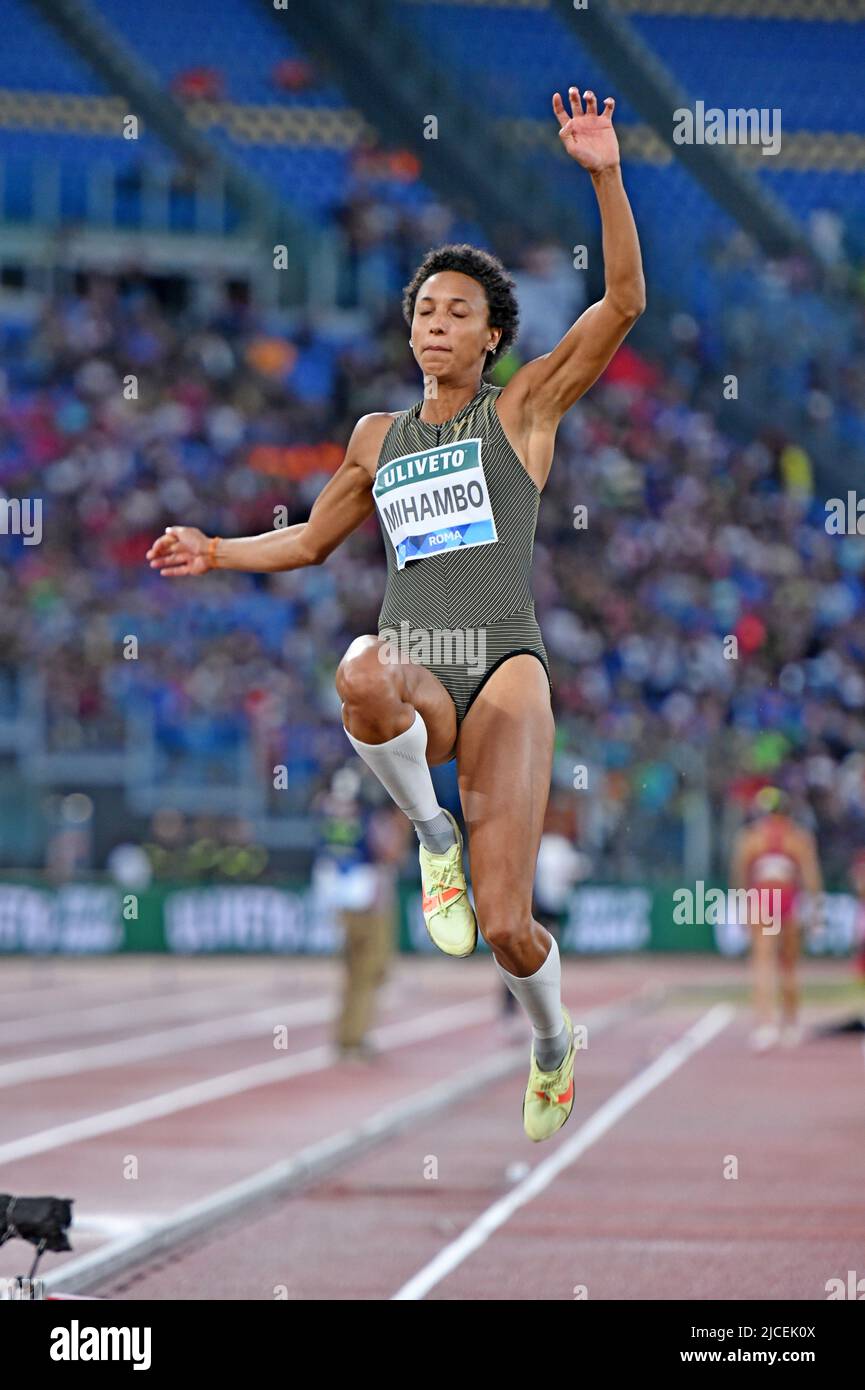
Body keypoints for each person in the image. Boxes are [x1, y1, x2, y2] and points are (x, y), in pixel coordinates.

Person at [146, 86, 645, 1141]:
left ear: (494, 336)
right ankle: (431, 834)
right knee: (361, 667)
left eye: (459, 311)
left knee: (507, 931)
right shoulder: (376, 436)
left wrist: (602, 175)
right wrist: (217, 546)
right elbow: (313, 541)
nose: (436, 323)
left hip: (503, 665)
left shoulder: (523, 410)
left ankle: (553, 1042)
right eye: (425, 309)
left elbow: (623, 307)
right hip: (420, 671)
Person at [730, 786, 823, 1051]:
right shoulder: (798, 838)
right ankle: (791, 1024)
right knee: (789, 966)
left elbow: (740, 876)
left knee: (763, 963)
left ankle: (766, 1026)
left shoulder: (751, 838)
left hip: (763, 900)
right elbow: (811, 877)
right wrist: (816, 913)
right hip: (787, 900)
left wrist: (741, 908)